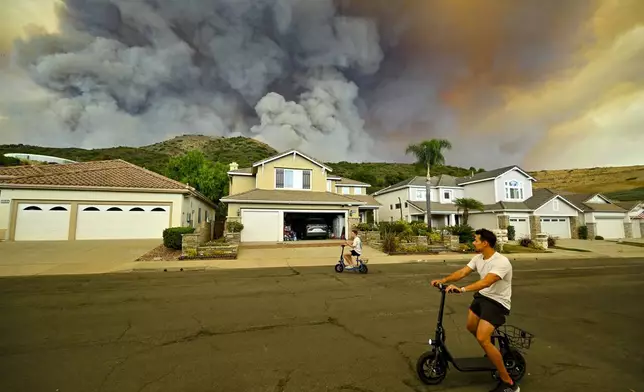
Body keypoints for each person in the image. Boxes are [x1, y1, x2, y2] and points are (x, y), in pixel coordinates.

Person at [430, 228, 518, 392]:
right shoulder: (478, 258)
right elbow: (463, 272)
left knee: (482, 338)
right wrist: (443, 280)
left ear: (485, 243)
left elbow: (486, 282)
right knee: (471, 327)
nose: (473, 242)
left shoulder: (501, 262)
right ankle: (491, 349)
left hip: (498, 303)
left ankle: (509, 383)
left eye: (476, 240)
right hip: (483, 298)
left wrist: (462, 290)